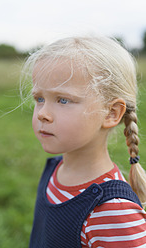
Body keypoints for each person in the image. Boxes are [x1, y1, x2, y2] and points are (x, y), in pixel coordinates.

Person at [22, 35, 146, 247]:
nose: (43, 113)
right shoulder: (56, 170)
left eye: (63, 100)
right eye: (39, 98)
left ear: (111, 113)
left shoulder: (113, 212)